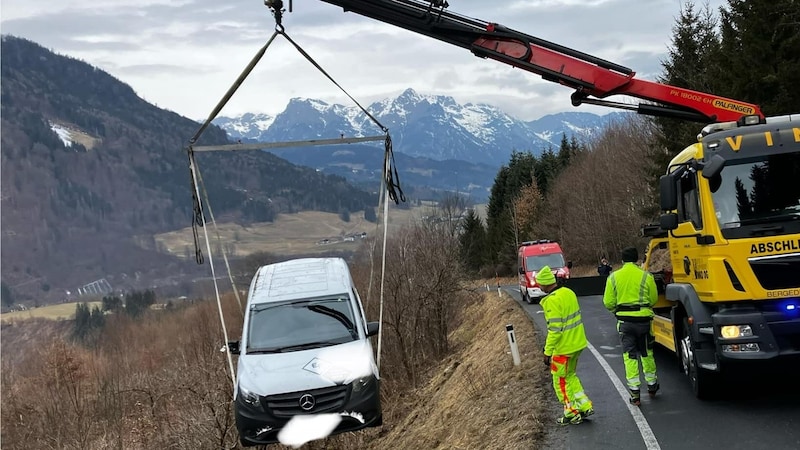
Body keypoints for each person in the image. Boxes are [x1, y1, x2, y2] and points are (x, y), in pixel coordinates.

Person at [538, 265, 594, 425]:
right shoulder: (568, 293)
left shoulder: (552, 301)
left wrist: (547, 352)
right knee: (570, 376)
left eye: (540, 284)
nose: (539, 287)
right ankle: (584, 406)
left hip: (564, 348)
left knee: (560, 380)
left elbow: (555, 330)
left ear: (545, 284)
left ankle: (571, 413)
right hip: (578, 344)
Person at [602, 247, 659, 406]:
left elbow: (608, 302)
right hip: (644, 322)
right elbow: (653, 298)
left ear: (622, 260)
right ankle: (652, 385)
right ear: (637, 259)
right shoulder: (646, 276)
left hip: (625, 322)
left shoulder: (613, 277)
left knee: (630, 356)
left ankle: (635, 393)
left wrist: (617, 311)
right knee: (647, 353)